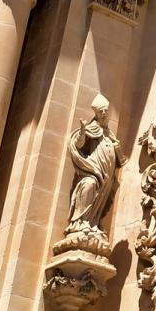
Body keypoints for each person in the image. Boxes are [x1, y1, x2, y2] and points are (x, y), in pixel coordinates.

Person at [65, 94, 126, 239]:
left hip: (107, 176)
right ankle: (80, 222)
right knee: (89, 185)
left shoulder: (109, 133)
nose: (104, 114)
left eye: (106, 111)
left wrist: (116, 147)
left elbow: (121, 160)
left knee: (101, 197)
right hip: (93, 170)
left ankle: (93, 222)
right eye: (101, 112)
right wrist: (82, 131)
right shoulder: (91, 128)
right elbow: (79, 144)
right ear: (96, 114)